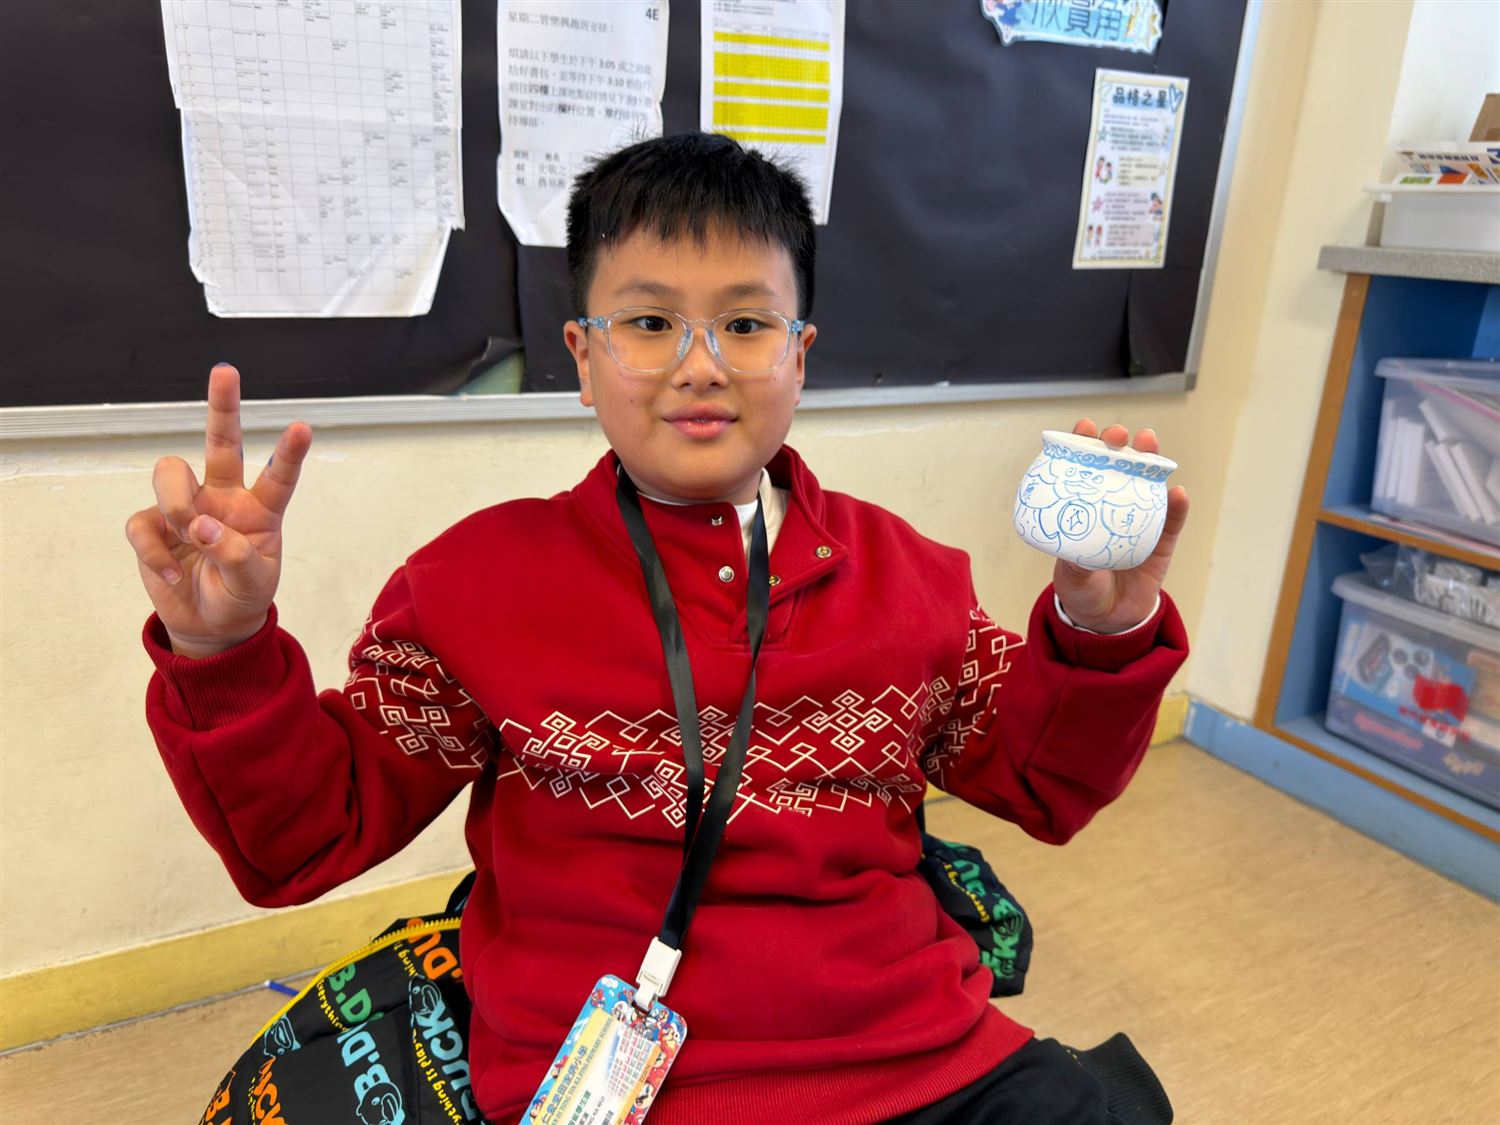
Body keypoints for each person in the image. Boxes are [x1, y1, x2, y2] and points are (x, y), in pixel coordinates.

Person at [126, 132, 1189, 1124]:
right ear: (583, 357)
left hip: (915, 1057)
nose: (700, 364)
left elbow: (1043, 786)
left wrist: (1102, 630)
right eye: (648, 324)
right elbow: (304, 839)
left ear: (801, 354)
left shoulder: (911, 578)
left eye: (746, 324)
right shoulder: (475, 583)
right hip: (607, 1086)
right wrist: (225, 652)